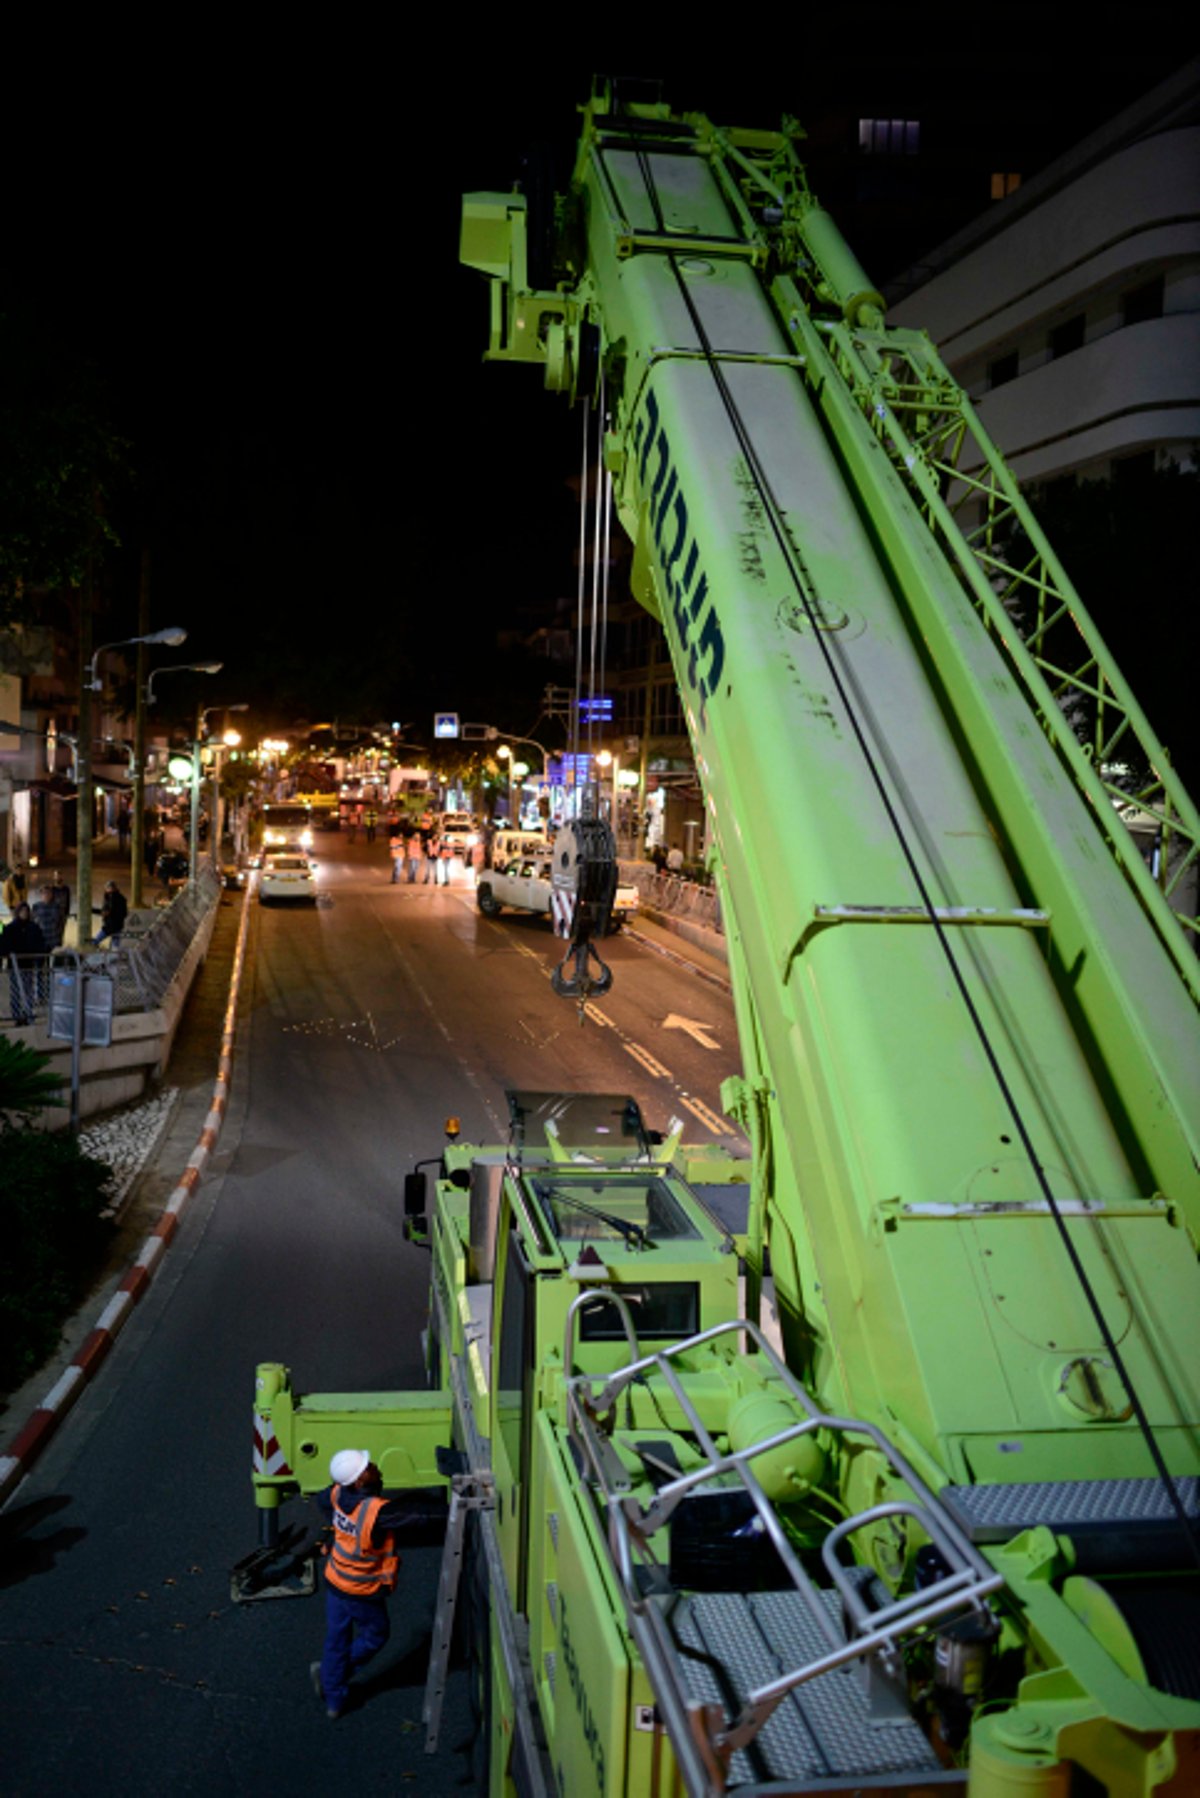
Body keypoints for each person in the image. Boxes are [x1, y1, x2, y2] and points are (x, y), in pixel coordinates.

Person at [310, 1449, 415, 1721]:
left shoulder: (335, 1493)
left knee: (336, 1639)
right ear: (358, 1482)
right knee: (376, 1635)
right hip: (361, 1590)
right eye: (367, 1467)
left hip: (336, 1581)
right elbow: (417, 1517)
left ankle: (334, 1696)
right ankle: (331, 1676)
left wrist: (339, 1534)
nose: (374, 1466)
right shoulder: (375, 1512)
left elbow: (324, 1504)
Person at [0, 901, 47, 1026]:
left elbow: (40, 944)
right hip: (15, 965)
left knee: (28, 991)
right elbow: (4, 946)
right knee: (15, 991)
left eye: (26, 911)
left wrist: (39, 959)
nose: (24, 914)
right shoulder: (10, 928)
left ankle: (28, 1014)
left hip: (28, 964)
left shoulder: (34, 927)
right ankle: (16, 1016)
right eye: (22, 911)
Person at [31, 883, 65, 952]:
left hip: (54, 939)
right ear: (41, 895)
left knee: (54, 961)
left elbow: (62, 922)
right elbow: (32, 923)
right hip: (41, 940)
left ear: (52, 894)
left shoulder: (57, 906)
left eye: (48, 893)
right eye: (44, 893)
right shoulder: (36, 906)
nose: (46, 895)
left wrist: (60, 936)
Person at [95, 880, 128, 946]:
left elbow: (107, 912)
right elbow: (125, 913)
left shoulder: (111, 898)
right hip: (118, 926)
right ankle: (114, 955)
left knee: (95, 941)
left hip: (109, 926)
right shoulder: (121, 898)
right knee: (115, 947)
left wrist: (92, 910)